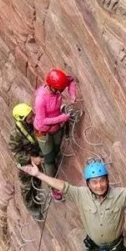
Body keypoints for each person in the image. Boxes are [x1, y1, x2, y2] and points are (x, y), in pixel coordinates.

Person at [33, 68, 77, 200]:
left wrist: (72, 95)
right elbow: (42, 121)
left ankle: (50, 157)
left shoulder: (58, 86)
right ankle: (53, 187)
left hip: (56, 128)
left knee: (56, 149)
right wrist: (62, 118)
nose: (60, 92)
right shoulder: (41, 99)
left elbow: (71, 80)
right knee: (49, 160)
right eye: (58, 90)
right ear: (51, 86)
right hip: (43, 131)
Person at [9, 103, 44, 221]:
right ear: (23, 120)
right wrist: (31, 159)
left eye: (32, 115)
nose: (32, 118)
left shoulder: (32, 124)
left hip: (37, 153)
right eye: (29, 118)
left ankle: (37, 194)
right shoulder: (15, 135)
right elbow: (15, 153)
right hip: (25, 161)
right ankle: (31, 207)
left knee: (38, 180)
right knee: (27, 186)